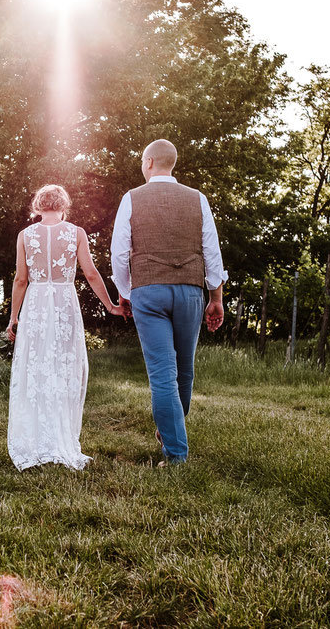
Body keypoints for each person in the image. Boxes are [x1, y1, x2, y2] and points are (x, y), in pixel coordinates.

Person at [110, 139, 227, 466]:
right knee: (184, 371)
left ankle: (175, 450)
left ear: (148, 163)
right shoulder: (198, 199)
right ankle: (172, 431)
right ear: (171, 164)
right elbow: (212, 253)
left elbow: (119, 254)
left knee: (163, 373)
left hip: (148, 291)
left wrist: (126, 290)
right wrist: (215, 297)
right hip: (190, 291)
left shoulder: (131, 198)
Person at [6, 184, 124, 470]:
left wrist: (13, 316)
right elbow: (92, 273)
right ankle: (60, 438)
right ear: (63, 206)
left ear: (37, 206)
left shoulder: (25, 235)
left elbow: (21, 280)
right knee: (65, 366)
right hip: (63, 304)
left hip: (35, 304)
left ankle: (36, 440)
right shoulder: (76, 233)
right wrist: (110, 305)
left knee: (36, 368)